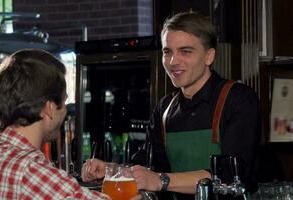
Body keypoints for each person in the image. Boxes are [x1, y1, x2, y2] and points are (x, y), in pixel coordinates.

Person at [82, 12, 261, 200]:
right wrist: (110, 169)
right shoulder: (165, 108)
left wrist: (161, 180)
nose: (173, 61)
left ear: (209, 56)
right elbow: (148, 165)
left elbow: (233, 174)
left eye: (185, 51)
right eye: (168, 52)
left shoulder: (238, 98)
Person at [0, 49, 109, 199]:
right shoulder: (29, 170)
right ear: (50, 108)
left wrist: (110, 171)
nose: (65, 111)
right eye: (64, 102)